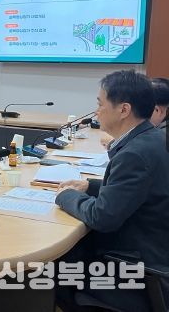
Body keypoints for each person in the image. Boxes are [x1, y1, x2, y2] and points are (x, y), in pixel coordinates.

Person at [55, 70, 169, 312]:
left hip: (138, 269)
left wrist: (67, 196)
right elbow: (142, 191)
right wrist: (90, 186)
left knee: (43, 270)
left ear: (124, 109)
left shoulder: (135, 154)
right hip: (153, 252)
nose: (96, 111)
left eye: (100, 104)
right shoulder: (152, 139)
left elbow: (102, 217)